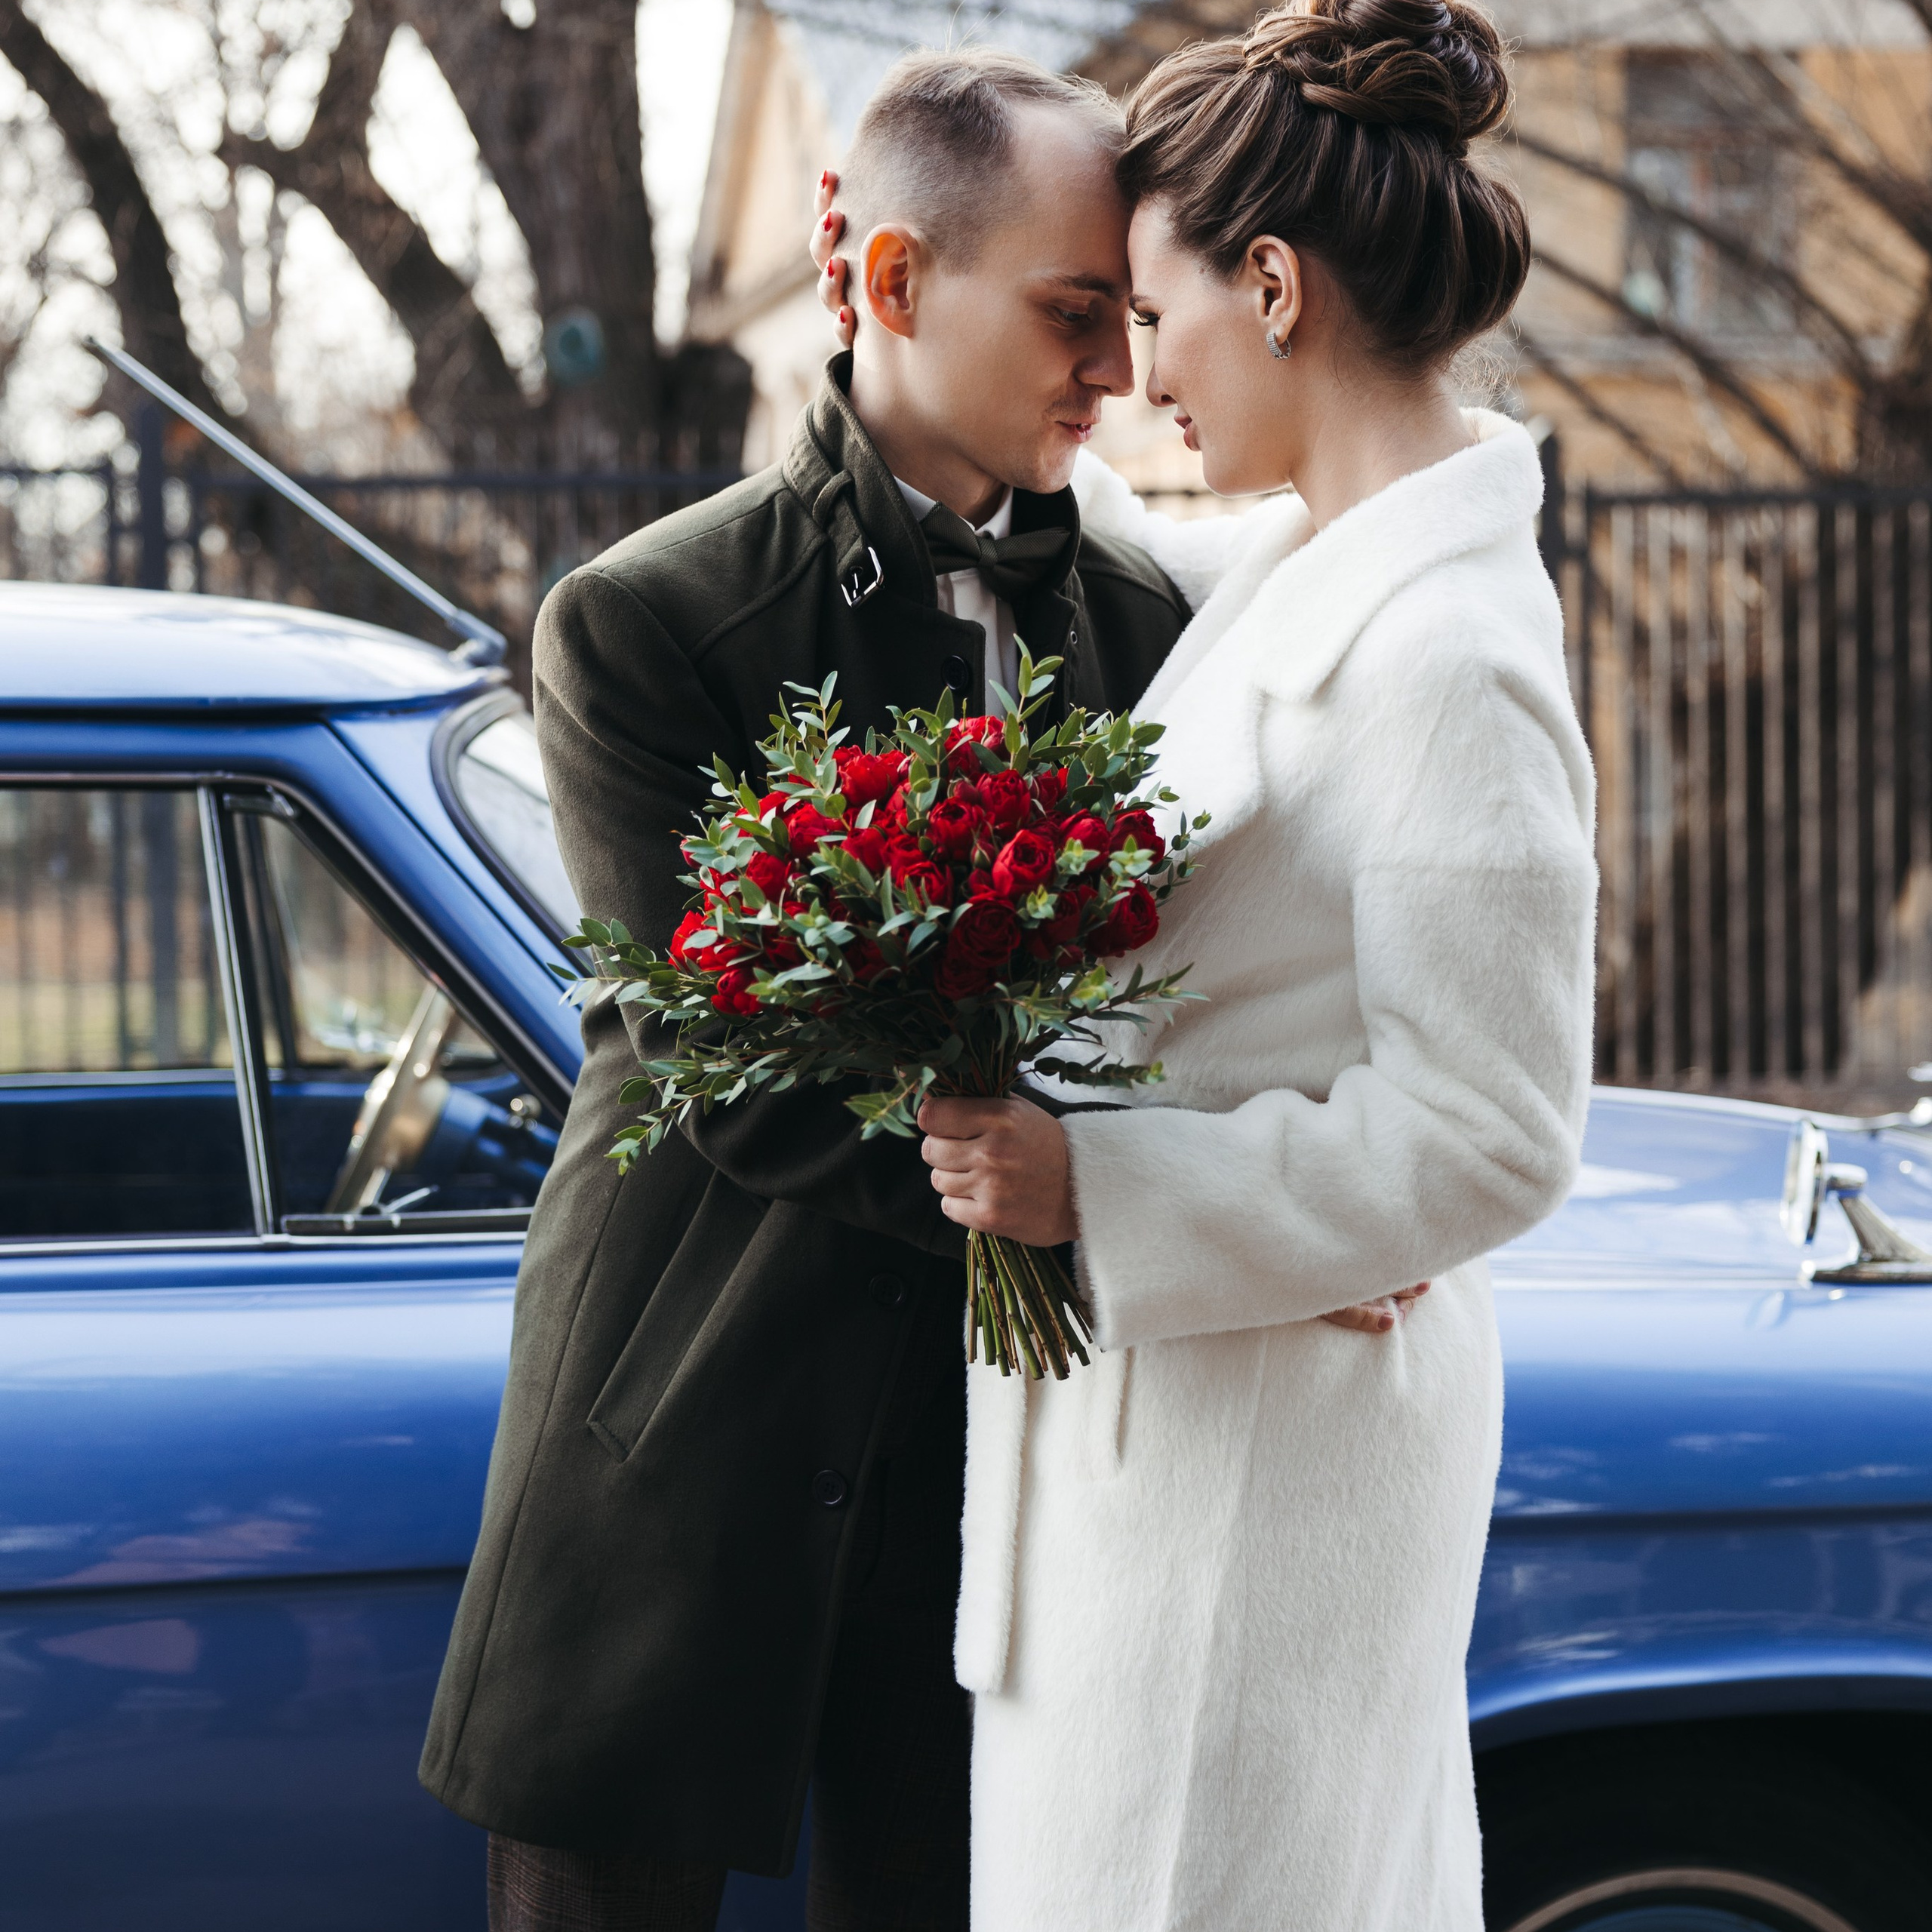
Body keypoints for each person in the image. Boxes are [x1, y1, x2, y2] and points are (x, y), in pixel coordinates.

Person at [814, 2, 1596, 1927]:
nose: (1125, 371)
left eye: (1143, 314)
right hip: (1165, 1446)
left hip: (1263, 1488)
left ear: (1270, 287)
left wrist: (1111, 1182)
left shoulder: (1448, 651)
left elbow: (1493, 1133)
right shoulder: (1295, 563)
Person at [417, 49, 1197, 1932]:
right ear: (895, 279)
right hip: (673, 1426)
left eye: (1134, 321)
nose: (1113, 373)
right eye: (1076, 314)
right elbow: (721, 1049)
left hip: (993, 1482)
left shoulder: (1155, 622)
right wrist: (1073, 1190)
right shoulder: (642, 618)